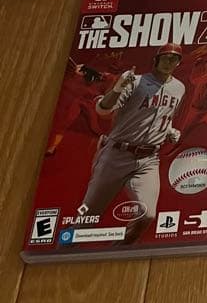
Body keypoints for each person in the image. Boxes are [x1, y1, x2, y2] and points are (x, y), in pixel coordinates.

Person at [78, 44, 185, 244]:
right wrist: (118, 88)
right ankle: (64, 249)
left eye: (174, 59)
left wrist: (169, 130)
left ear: (178, 63)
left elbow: (166, 115)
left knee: (147, 215)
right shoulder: (136, 82)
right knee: (87, 219)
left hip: (149, 159)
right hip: (117, 154)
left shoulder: (179, 88)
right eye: (166, 57)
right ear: (156, 59)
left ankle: (117, 252)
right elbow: (103, 109)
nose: (169, 62)